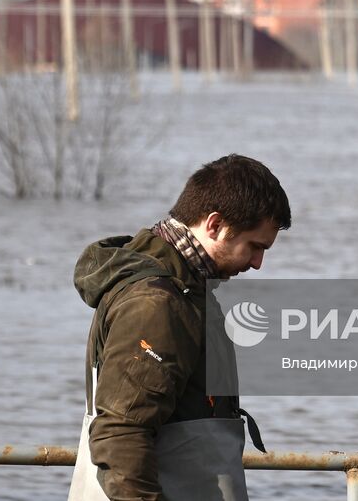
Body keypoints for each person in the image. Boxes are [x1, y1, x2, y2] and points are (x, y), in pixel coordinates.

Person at [68, 154, 291, 501]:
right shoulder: (157, 303)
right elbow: (120, 434)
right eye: (255, 246)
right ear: (214, 225)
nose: (258, 263)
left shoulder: (189, 287)